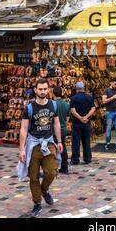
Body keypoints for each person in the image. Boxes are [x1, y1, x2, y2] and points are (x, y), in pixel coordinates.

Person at [18, 78, 63, 218]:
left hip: (49, 143)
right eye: (40, 89)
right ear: (36, 90)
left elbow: (56, 124)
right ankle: (37, 203)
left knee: (51, 172)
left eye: (45, 88)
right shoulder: (29, 108)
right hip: (33, 145)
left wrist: (59, 141)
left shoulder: (53, 105)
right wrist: (21, 149)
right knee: (33, 177)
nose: (43, 91)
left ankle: (44, 190)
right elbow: (24, 129)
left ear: (48, 89)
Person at [70, 81, 96, 165]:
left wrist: (80, 118)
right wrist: (86, 117)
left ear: (76, 88)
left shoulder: (73, 98)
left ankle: (75, 159)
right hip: (86, 123)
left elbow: (73, 111)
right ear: (84, 88)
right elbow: (93, 109)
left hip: (77, 123)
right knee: (86, 141)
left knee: (76, 142)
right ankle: (87, 158)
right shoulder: (89, 98)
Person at [52, 86, 70, 174]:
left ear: (53, 94)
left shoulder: (52, 104)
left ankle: (53, 167)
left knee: (52, 148)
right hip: (63, 128)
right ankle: (64, 167)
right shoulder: (66, 104)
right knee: (63, 147)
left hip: (54, 130)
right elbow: (67, 118)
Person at [102, 79, 116, 152]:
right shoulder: (106, 90)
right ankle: (107, 144)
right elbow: (104, 101)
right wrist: (113, 97)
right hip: (109, 112)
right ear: (110, 83)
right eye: (114, 84)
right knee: (108, 128)